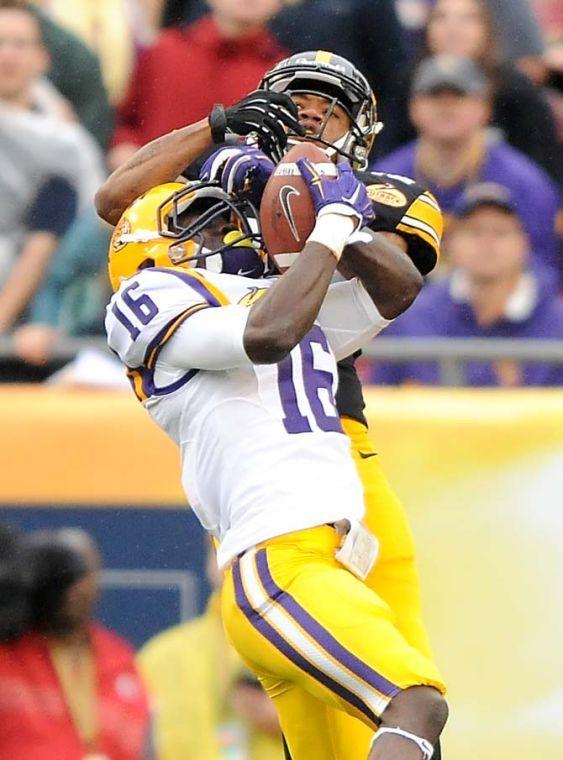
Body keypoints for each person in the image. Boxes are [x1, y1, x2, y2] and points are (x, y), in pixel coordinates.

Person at [97, 49, 447, 759]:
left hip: (336, 435)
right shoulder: (204, 211)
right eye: (295, 109)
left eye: (328, 114)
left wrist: (331, 213)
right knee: (394, 698)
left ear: (359, 131)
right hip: (261, 438)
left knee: (394, 694)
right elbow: (118, 210)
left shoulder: (379, 194)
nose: (308, 122)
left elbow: (395, 286)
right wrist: (213, 127)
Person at [374, 54, 561, 290]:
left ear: (485, 107)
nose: (446, 106)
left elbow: (544, 274)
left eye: (459, 96)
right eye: (434, 96)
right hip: (404, 317)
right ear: (413, 107)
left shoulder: (526, 183)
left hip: (497, 316)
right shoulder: (385, 182)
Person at [372, 183, 563, 387]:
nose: (487, 242)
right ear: (449, 244)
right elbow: (380, 396)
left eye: (501, 232)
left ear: (525, 243)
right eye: (474, 232)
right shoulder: (412, 317)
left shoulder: (556, 322)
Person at [0, 2, 104, 340]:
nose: (7, 55)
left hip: (46, 312)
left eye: (19, 44)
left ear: (42, 58)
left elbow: (86, 224)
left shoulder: (66, 145)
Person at [0, 528, 153, 760]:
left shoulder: (120, 659)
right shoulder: (10, 655)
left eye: (83, 573)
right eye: (61, 577)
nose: (73, 587)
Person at [138, 542, 283, 759]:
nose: (233, 561)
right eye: (220, 548)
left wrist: (294, 720)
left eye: (251, 549)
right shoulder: (159, 656)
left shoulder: (313, 646)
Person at [395, 0, 562, 184]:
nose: (453, 28)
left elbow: (546, 169)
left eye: (467, 18)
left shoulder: (516, 90)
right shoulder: (406, 84)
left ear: (485, 106)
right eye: (441, 17)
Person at [110, 0, 287, 170]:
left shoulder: (283, 76)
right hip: (152, 192)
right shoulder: (164, 52)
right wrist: (125, 150)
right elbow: (126, 122)